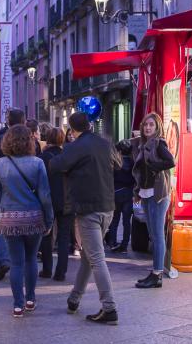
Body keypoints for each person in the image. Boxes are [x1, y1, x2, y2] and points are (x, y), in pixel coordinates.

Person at [50, 112, 121, 325]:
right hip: (108, 206)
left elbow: (56, 165)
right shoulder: (104, 143)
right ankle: (74, 299)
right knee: (88, 257)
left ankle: (109, 308)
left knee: (96, 258)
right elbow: (118, 164)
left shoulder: (75, 147)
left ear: (72, 130)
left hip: (87, 209)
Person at [0, 125, 54, 317]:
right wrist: (49, 218)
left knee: (16, 262)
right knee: (30, 259)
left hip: (9, 219)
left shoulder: (0, 164)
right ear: (30, 141)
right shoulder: (37, 163)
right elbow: (45, 195)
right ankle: (30, 299)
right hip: (33, 218)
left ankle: (17, 305)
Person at [131, 113, 175, 289]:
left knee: (157, 236)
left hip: (158, 195)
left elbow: (170, 161)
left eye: (151, 125)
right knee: (152, 234)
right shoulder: (143, 144)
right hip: (146, 193)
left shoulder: (159, 143)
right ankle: (155, 271)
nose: (147, 128)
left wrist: (154, 168)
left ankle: (157, 275)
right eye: (145, 125)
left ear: (157, 127)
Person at [0, 108, 25, 282]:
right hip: (23, 187)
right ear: (23, 120)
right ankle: (19, 259)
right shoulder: (29, 140)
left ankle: (4, 259)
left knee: (1, 221)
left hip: (1, 183)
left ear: (8, 121)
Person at [39, 128, 70, 281]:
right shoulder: (68, 156)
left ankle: (46, 269)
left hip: (48, 200)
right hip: (67, 201)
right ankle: (61, 272)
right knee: (64, 237)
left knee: (47, 235)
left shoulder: (43, 157)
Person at [106, 140, 135, 253]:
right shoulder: (133, 163)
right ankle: (124, 245)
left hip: (116, 193)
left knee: (115, 219)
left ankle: (112, 243)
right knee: (127, 221)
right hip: (128, 194)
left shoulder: (115, 163)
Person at [63, 128, 81, 256]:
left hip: (79, 188)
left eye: (72, 133)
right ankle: (76, 245)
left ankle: (77, 245)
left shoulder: (81, 148)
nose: (71, 136)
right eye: (69, 134)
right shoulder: (66, 149)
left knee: (77, 220)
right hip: (70, 189)